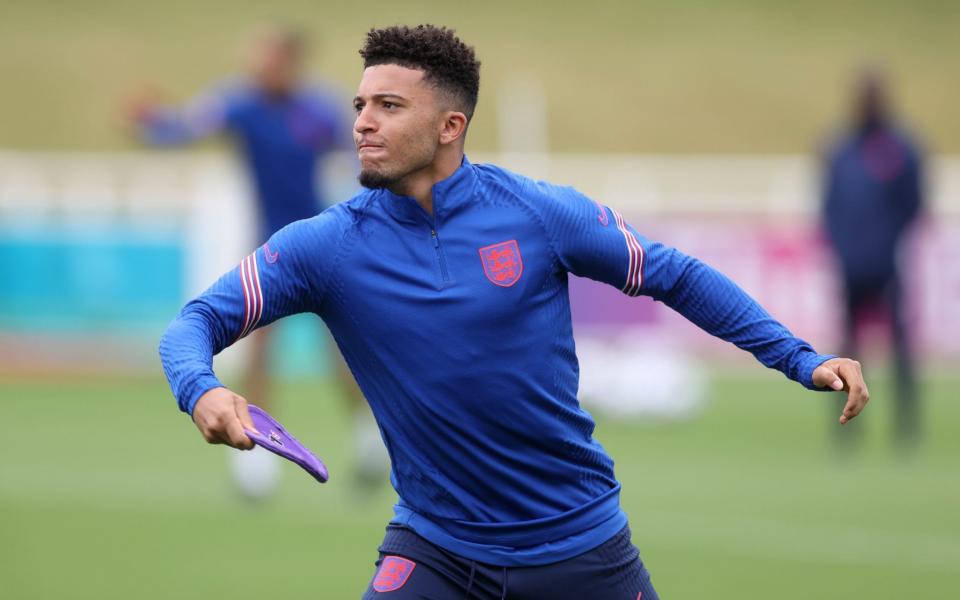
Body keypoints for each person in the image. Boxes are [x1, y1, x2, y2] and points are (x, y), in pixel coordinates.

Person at [159, 25, 870, 599]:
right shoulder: (326, 246)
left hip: (580, 548)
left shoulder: (536, 213)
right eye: (359, 106)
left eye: (388, 107)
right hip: (435, 548)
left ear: (450, 125)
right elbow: (195, 322)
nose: (363, 124)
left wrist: (800, 358)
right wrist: (204, 388)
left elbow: (673, 274)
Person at [130, 26, 385, 497]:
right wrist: (150, 124)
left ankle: (370, 438)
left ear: (289, 62)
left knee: (344, 350)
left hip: (322, 245)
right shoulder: (239, 103)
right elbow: (186, 127)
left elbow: (361, 160)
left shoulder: (318, 109)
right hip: (270, 249)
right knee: (261, 349)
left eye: (267, 57)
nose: (257, 64)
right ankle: (256, 461)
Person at [821, 68, 923, 450]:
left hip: (886, 265)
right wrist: (841, 247)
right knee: (845, 351)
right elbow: (829, 205)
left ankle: (906, 426)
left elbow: (913, 203)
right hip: (850, 266)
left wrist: (887, 243)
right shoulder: (840, 148)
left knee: (901, 348)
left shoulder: (901, 148)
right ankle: (845, 427)